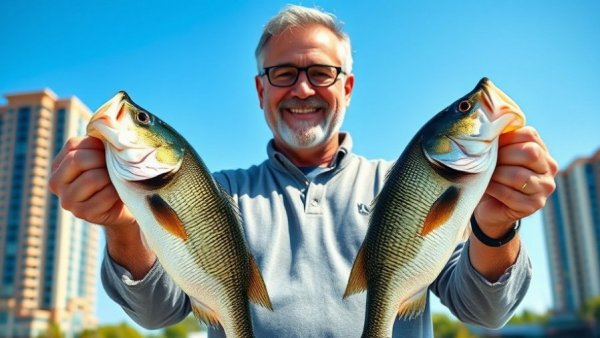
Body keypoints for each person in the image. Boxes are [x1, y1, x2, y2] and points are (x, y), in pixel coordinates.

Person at [49, 5, 558, 338]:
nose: (303, 89)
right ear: (260, 91)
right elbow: (157, 313)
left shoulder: (399, 183)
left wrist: (495, 228)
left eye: (321, 73)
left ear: (348, 87)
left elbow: (486, 312)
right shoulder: (216, 194)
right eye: (283, 74)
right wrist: (121, 228)